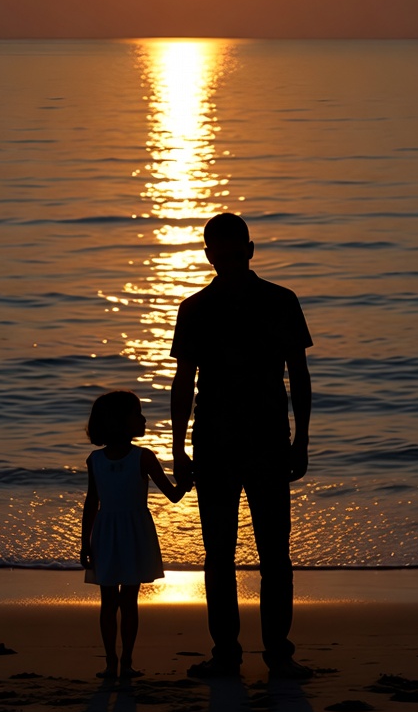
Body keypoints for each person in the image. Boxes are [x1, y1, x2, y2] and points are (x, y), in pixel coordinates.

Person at [170, 213, 313, 680]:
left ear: (249, 252)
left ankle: (278, 652)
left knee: (275, 553)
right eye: (222, 254)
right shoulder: (195, 308)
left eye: (236, 253)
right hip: (215, 442)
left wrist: (301, 439)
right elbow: (183, 383)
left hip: (267, 441)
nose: (229, 261)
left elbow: (299, 376)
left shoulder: (280, 301)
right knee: (219, 555)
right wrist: (177, 448)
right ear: (209, 254)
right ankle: (228, 652)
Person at [80, 389, 187, 680]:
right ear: (119, 421)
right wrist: (84, 542)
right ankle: (117, 661)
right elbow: (92, 501)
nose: (143, 419)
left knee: (117, 601)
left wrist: (86, 542)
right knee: (124, 601)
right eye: (137, 414)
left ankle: (120, 662)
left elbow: (93, 503)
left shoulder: (125, 458)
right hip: (124, 533)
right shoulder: (135, 457)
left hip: (113, 533)